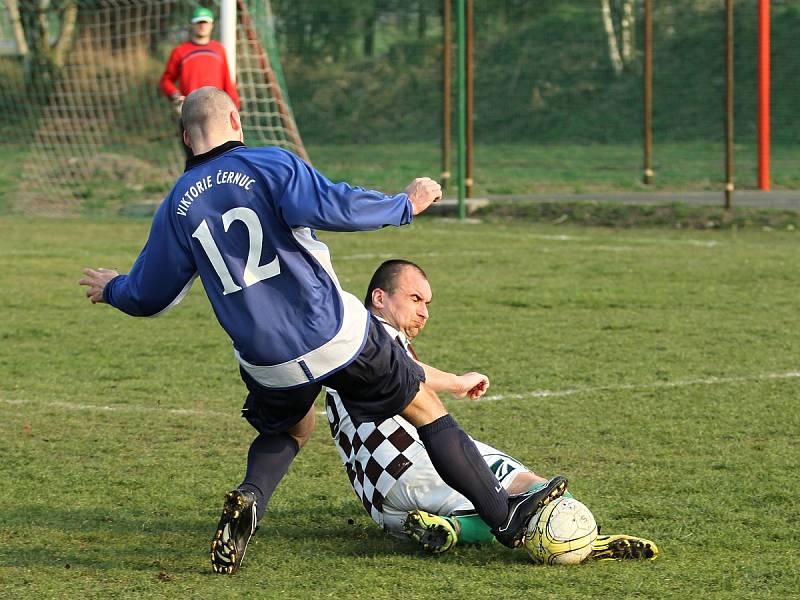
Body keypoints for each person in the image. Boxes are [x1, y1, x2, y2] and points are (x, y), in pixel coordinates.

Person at [78, 87, 568, 575]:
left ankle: (251, 496)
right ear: (236, 119)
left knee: (291, 426)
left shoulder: (176, 206)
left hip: (265, 359)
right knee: (423, 404)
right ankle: (505, 519)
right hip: (333, 333)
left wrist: (113, 287)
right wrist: (405, 205)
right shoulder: (269, 164)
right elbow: (339, 207)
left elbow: (148, 296)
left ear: (186, 137)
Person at [325, 259, 659, 561]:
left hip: (383, 506)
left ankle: (451, 528)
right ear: (380, 298)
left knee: (497, 509)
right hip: (416, 463)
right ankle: (583, 540)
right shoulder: (372, 335)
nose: (425, 312)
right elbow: (405, 370)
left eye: (427, 304)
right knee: (538, 489)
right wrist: (456, 381)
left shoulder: (339, 352)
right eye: (415, 299)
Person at [159, 6, 240, 157]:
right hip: (191, 113)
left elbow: (227, 82)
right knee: (196, 159)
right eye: (199, 22)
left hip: (218, 113)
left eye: (206, 22)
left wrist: (235, 106)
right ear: (192, 25)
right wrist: (175, 95)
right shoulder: (180, 51)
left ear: (211, 25)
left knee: (223, 158)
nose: (202, 26)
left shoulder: (219, 50)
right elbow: (166, 80)